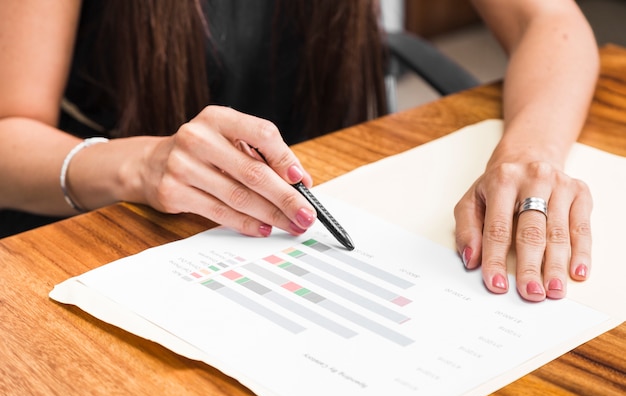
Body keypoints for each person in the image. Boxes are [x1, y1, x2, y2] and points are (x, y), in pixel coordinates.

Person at [0, 0, 597, 303]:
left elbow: (547, 20)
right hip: (111, 240)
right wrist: (138, 163)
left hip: (321, 217)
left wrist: (526, 156)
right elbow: (10, 128)